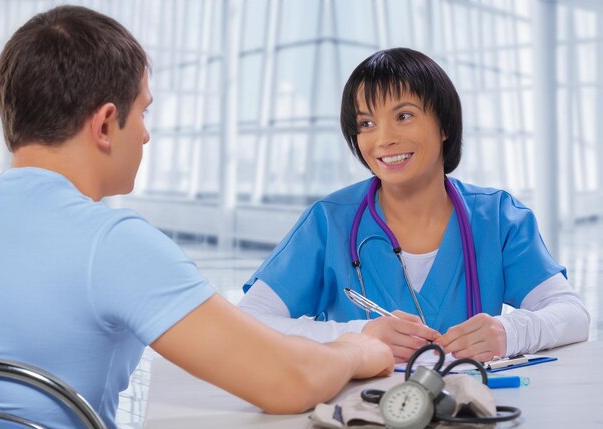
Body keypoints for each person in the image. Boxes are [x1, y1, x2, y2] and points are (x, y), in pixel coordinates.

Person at [0, 6, 394, 429]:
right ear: (104, 124)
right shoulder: (112, 244)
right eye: (143, 112)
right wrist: (355, 348)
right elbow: (288, 381)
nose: (144, 135)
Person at [240, 47, 590, 364]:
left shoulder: (497, 218)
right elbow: (249, 323)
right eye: (366, 123)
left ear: (444, 125)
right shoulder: (330, 221)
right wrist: (355, 337)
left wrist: (510, 332)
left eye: (403, 116)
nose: (383, 139)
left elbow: (572, 315)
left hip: (472, 419)